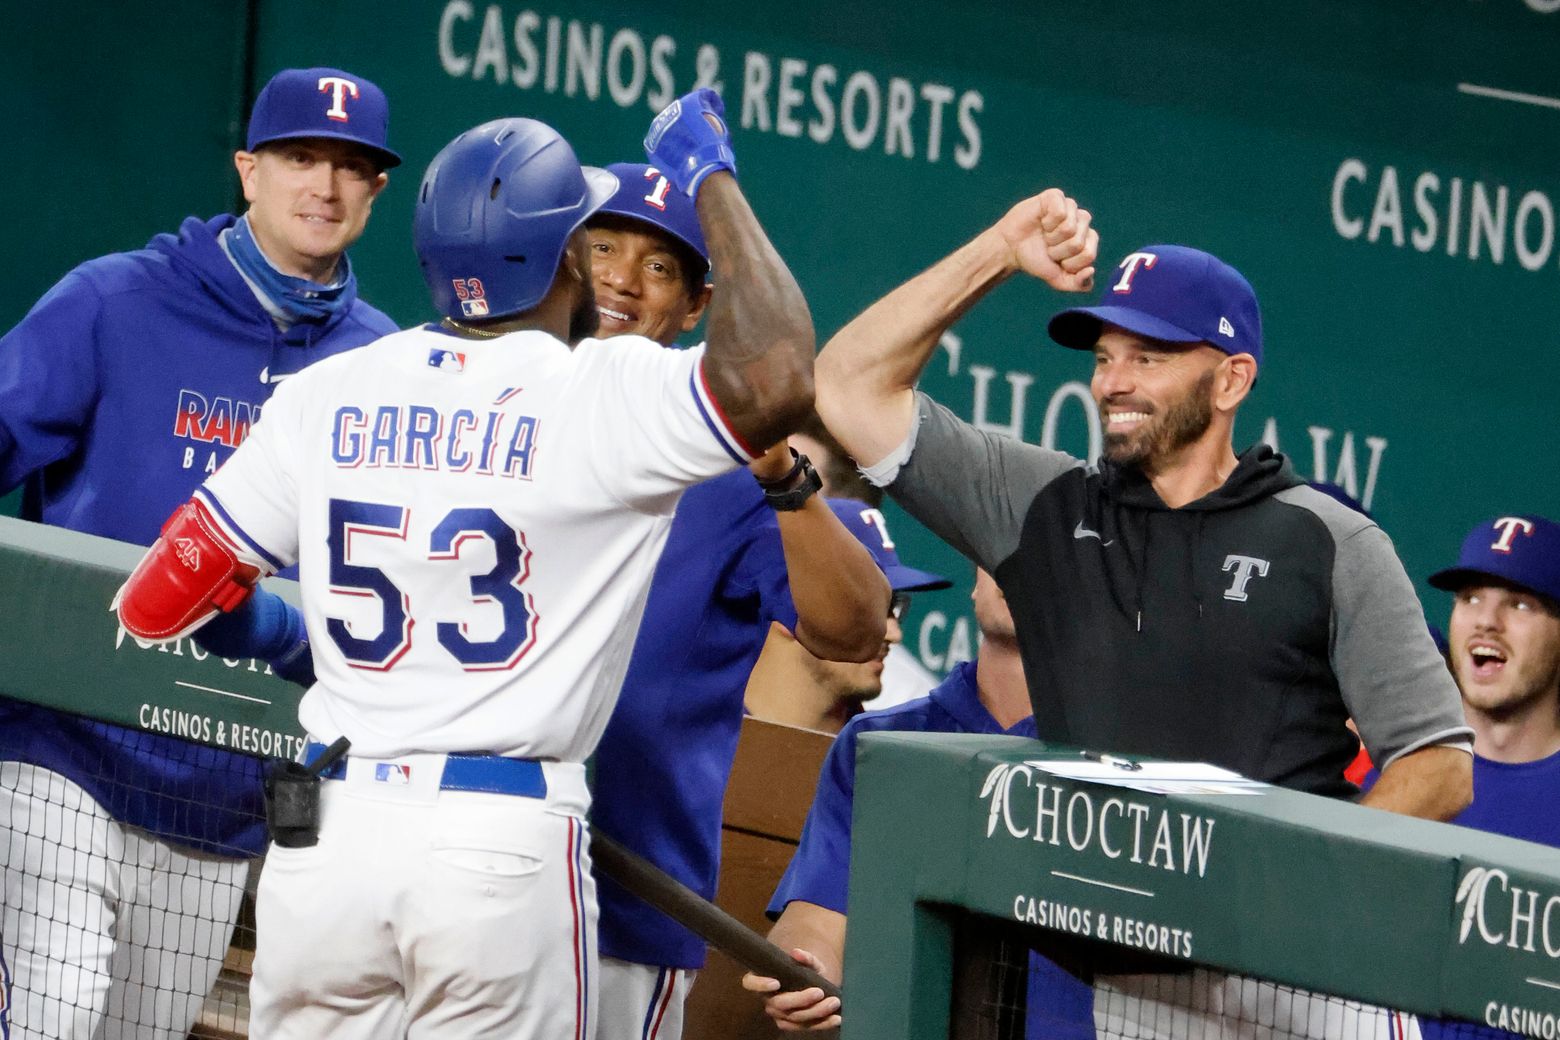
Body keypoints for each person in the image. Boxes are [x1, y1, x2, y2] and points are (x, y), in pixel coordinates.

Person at [115, 88, 815, 1039]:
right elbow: (775, 372)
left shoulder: (331, 388)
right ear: (567, 257)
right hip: (497, 845)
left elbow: (162, 599)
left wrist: (281, 625)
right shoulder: (603, 390)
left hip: (329, 842)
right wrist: (711, 177)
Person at [812, 188, 1473, 818]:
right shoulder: (1045, 507)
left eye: (1148, 359)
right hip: (1072, 924)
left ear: (1231, 380)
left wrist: (1302, 887)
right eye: (1104, 359)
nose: (1112, 384)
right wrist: (1002, 250)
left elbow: (1438, 765)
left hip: (1238, 935)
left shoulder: (1330, 541)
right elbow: (846, 386)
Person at [0, 66, 400, 1039]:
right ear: (247, 168)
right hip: (64, 752)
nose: (325, 185)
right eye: (301, 157)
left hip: (227, 781)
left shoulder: (382, 365)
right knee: (53, 1015)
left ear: (378, 192)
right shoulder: (114, 301)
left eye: (352, 167)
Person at [582, 162, 891, 1040]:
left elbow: (851, 627)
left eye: (660, 266)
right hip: (478, 871)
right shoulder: (501, 404)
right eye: (601, 245)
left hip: (628, 909)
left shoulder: (726, 458)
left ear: (696, 306)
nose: (620, 278)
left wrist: (785, 480)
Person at [742, 569, 1094, 1037]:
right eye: (1001, 546)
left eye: (1047, 543)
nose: (1021, 560)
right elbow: (816, 919)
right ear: (975, 576)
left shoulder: (1131, 760)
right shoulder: (879, 745)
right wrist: (802, 968)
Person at [744, 499, 950, 733]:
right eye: (862, 607)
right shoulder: (700, 741)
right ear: (791, 603)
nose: (894, 634)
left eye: (893, 607)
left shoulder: (890, 758)